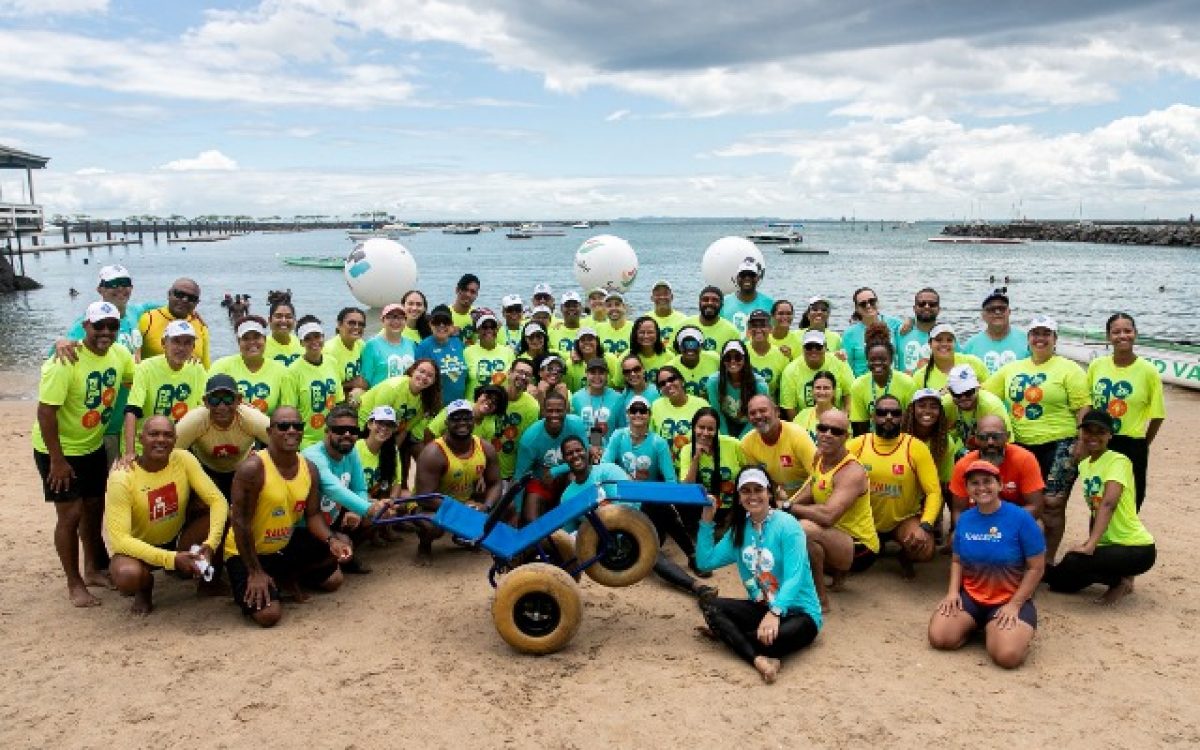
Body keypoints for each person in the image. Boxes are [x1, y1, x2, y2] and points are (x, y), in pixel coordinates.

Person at [33, 301, 135, 606]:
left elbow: (135, 381)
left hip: (92, 444)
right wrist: (57, 460)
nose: (105, 332)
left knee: (94, 508)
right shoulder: (66, 360)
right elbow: (46, 412)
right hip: (58, 449)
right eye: (98, 326)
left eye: (112, 326)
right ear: (85, 326)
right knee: (70, 514)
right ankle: (74, 583)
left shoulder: (120, 355)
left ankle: (92, 568)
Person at [225, 406, 352, 627]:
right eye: (283, 426)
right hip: (246, 552)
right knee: (269, 615)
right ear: (269, 431)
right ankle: (257, 578)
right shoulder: (252, 468)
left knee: (336, 574)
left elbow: (312, 515)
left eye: (297, 426)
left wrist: (332, 541)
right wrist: (254, 571)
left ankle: (284, 578)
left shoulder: (309, 468)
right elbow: (240, 524)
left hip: (282, 546)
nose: (291, 431)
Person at [695, 467, 822, 684]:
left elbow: (795, 576)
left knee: (764, 637)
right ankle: (760, 660)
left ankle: (732, 637)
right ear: (738, 496)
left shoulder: (788, 525)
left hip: (800, 613)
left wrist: (775, 612)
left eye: (758, 489)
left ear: (769, 493)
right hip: (762, 608)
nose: (752, 496)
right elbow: (705, 562)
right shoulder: (739, 530)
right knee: (710, 606)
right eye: (746, 490)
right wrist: (707, 521)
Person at [983, 315, 1089, 562]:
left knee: (1052, 504)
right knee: (1021, 500)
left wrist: (1081, 442)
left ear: (1055, 339)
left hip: (1060, 443)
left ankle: (1048, 560)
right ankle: (1021, 553)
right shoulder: (1013, 368)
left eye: (1046, 334)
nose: (1040, 339)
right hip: (1021, 444)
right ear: (1028, 339)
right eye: (1035, 334)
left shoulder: (1069, 369)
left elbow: (1083, 407)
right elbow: (984, 393)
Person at [928, 460, 1045, 669]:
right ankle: (976, 625)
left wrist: (1015, 604)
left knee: (1007, 657)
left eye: (987, 481)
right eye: (974, 483)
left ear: (1000, 484)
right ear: (967, 489)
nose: (981, 487)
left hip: (1009, 598)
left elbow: (1036, 567)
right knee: (940, 639)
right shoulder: (965, 519)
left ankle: (1003, 632)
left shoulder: (1021, 518)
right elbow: (957, 560)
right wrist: (953, 593)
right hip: (972, 597)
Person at [105, 416, 229, 614]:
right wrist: (172, 559)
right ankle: (145, 587)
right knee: (127, 576)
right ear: (140, 438)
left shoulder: (183, 459)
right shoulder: (122, 478)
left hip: (176, 537)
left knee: (224, 515)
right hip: (139, 549)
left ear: (175, 439)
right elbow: (120, 540)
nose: (161, 440)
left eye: (167, 435)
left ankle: (209, 583)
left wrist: (210, 545)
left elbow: (218, 500)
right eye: (153, 434)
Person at [1044, 409, 1156, 604]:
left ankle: (1120, 581)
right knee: (1058, 583)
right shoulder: (1085, 465)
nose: (1093, 437)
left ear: (1110, 435)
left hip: (1136, 548)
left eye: (1100, 432)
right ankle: (1109, 576)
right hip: (1110, 546)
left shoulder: (1118, 461)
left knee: (1073, 560)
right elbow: (1095, 509)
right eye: (1088, 431)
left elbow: (1108, 504)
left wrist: (1091, 545)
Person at [782, 409, 879, 611]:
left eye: (835, 431)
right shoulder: (820, 456)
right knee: (791, 526)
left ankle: (820, 600)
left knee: (805, 528)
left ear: (846, 437)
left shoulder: (851, 471)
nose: (827, 434)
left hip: (860, 548)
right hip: (836, 537)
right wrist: (784, 509)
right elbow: (813, 486)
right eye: (822, 428)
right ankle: (833, 578)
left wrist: (789, 506)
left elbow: (828, 516)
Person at [848, 394, 941, 578]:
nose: (888, 417)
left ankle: (903, 552)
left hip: (903, 520)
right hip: (865, 520)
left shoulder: (915, 447)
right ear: (874, 417)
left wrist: (925, 526)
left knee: (925, 550)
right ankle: (875, 545)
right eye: (882, 412)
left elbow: (934, 492)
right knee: (846, 555)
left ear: (903, 417)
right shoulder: (858, 444)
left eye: (895, 413)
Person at [1086, 313, 1165, 510]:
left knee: (1131, 498)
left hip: (1132, 442)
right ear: (1108, 337)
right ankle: (1097, 539)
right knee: (1098, 496)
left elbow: (1157, 415)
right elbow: (1088, 403)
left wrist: (1143, 444)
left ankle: (1127, 541)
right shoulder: (1097, 366)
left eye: (1127, 331)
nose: (1122, 336)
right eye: (1116, 332)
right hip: (1101, 440)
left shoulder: (1148, 371)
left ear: (1135, 334)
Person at [302, 404, 388, 573]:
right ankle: (308, 569)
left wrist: (358, 511)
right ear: (327, 432)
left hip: (333, 516)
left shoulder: (351, 451)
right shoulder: (312, 455)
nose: (347, 435)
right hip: (308, 525)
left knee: (372, 514)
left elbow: (360, 488)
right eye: (340, 430)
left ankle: (343, 554)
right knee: (333, 581)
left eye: (352, 430)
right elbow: (331, 487)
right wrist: (367, 508)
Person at [412, 399, 502, 561]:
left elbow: (495, 483)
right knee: (432, 526)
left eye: (467, 418)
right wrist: (460, 509)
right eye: (456, 419)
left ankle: (468, 537)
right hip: (433, 505)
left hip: (467, 499)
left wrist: (486, 506)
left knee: (506, 506)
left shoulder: (485, 447)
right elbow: (424, 497)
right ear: (446, 422)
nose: (462, 423)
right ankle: (424, 546)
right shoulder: (433, 452)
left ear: (473, 421)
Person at [174, 374, 270, 499]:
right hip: (204, 468)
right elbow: (170, 454)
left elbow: (281, 444)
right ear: (206, 402)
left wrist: (261, 458)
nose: (222, 406)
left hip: (243, 467)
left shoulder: (252, 418)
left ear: (239, 400)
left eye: (228, 399)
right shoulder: (193, 421)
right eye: (214, 400)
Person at [122, 320, 207, 459]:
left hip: (179, 445)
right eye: (176, 342)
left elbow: (205, 406)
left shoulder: (197, 368)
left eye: (187, 343)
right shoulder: (146, 368)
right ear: (163, 343)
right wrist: (129, 452)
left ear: (193, 347)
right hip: (144, 446)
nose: (181, 348)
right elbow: (132, 410)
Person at [948, 415, 1044, 522]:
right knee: (954, 537)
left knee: (1039, 528)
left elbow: (1035, 506)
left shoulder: (1025, 459)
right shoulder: (963, 465)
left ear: (1007, 437)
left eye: (996, 437)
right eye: (983, 437)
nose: (990, 442)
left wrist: (1001, 527)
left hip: (1014, 521)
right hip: (978, 523)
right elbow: (959, 511)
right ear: (975, 439)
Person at [514, 391, 590, 523]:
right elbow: (519, 476)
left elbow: (586, 456)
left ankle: (574, 526)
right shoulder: (530, 438)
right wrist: (517, 512)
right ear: (543, 412)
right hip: (541, 480)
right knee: (531, 519)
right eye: (550, 411)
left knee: (576, 475)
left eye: (559, 410)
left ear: (566, 410)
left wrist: (556, 470)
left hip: (568, 475)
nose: (554, 415)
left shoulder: (576, 424)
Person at [741, 394, 817, 501]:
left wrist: (790, 503)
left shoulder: (798, 435)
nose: (758, 416)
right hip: (779, 502)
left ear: (777, 411)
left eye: (763, 411)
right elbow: (760, 481)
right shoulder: (747, 443)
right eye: (752, 413)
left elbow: (817, 476)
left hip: (811, 498)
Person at [283, 316, 343, 450]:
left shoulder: (332, 362)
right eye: (308, 338)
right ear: (301, 343)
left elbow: (338, 401)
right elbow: (290, 412)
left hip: (331, 437)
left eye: (317, 336)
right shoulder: (292, 371)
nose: (314, 341)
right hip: (306, 440)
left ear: (323, 337)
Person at [210, 315, 290, 415]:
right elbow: (208, 406)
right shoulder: (220, 366)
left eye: (257, 337)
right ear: (239, 342)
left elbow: (286, 412)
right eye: (246, 338)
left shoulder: (281, 371)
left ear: (264, 339)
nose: (252, 342)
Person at [848, 322, 915, 435]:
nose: (877, 363)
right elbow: (859, 428)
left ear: (891, 360)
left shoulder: (907, 383)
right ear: (867, 360)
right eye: (873, 360)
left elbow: (911, 424)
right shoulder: (858, 385)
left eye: (883, 359)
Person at [680, 407, 746, 521]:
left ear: (717, 430)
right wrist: (696, 458)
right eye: (701, 427)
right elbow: (687, 488)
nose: (705, 433)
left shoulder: (733, 444)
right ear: (694, 428)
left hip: (734, 507)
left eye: (710, 429)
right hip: (701, 509)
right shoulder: (687, 450)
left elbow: (749, 473)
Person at [357, 359, 442, 444]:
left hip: (387, 430)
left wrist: (395, 450)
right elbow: (377, 422)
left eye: (430, 375)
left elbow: (405, 430)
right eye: (421, 371)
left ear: (434, 381)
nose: (424, 377)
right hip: (365, 425)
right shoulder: (393, 387)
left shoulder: (426, 399)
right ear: (413, 371)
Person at [779, 329, 853, 419]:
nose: (813, 350)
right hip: (804, 421)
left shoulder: (839, 362)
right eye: (809, 346)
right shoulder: (790, 371)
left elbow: (849, 395)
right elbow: (790, 407)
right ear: (802, 348)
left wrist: (842, 419)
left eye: (818, 346)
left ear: (825, 347)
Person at [137, 277, 211, 367]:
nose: (184, 300)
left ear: (197, 303)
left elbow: (206, 366)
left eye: (191, 298)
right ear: (169, 294)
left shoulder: (200, 326)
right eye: (179, 294)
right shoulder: (147, 319)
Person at [941, 364, 1012, 452]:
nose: (963, 397)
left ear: (977, 388)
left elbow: (1007, 443)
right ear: (950, 392)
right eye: (957, 393)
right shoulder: (945, 404)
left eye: (968, 392)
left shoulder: (992, 405)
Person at [650, 365, 709, 467]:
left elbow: (712, 436)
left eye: (672, 379)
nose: (668, 384)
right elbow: (650, 438)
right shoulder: (656, 406)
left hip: (696, 467)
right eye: (662, 384)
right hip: (666, 469)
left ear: (681, 380)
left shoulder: (701, 405)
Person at [706, 340, 768, 437]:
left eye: (738, 357)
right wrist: (726, 437)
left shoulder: (759, 385)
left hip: (753, 425)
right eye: (728, 358)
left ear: (745, 359)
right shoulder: (713, 382)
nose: (733, 361)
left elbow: (759, 416)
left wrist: (741, 439)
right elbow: (717, 412)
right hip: (726, 423)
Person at [494, 358, 543, 482]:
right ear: (509, 372)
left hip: (510, 472)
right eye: (519, 372)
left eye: (527, 375)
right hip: (485, 467)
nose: (523, 376)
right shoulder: (493, 395)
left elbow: (526, 442)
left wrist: (518, 474)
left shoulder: (532, 405)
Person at [840, 286, 904, 378]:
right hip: (862, 384)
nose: (868, 305)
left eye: (872, 301)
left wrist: (911, 321)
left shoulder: (895, 324)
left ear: (878, 302)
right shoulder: (849, 334)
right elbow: (847, 367)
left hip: (892, 383)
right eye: (863, 304)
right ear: (857, 308)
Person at [901, 388, 959, 487]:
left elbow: (944, 482)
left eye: (933, 407)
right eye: (922, 406)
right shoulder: (898, 436)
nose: (927, 411)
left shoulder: (946, 442)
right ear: (912, 409)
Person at [963, 288, 1029, 375]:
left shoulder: (1027, 341)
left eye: (1002, 308)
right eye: (991, 309)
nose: (997, 312)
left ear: (1009, 312)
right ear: (983, 315)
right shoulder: (970, 346)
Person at [415, 304, 467, 405]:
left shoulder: (458, 343)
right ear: (430, 324)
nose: (442, 325)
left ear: (451, 325)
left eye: (446, 321)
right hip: (435, 406)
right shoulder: (424, 347)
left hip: (459, 406)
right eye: (437, 321)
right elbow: (418, 380)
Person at [913, 324, 988, 392]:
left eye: (949, 340)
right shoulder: (920, 376)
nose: (944, 344)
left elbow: (989, 392)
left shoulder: (973, 362)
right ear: (930, 344)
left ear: (955, 343)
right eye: (939, 340)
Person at [571, 357, 625, 449]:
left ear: (607, 375)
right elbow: (574, 430)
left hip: (609, 453)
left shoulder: (618, 398)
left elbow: (622, 430)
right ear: (586, 375)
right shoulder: (577, 397)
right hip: (583, 453)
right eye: (592, 373)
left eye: (601, 373)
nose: (597, 376)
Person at [360, 303, 417, 388]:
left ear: (405, 321)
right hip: (381, 399)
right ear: (382, 320)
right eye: (390, 317)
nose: (396, 321)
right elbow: (365, 380)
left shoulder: (412, 344)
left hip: (406, 398)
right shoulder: (371, 346)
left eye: (400, 317)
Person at [356, 405, 405, 500]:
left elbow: (397, 483)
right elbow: (349, 486)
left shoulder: (393, 450)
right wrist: (372, 504)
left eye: (389, 425)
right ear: (370, 424)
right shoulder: (355, 448)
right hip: (359, 502)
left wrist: (391, 501)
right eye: (380, 422)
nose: (384, 428)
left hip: (381, 502)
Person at [322, 307, 369, 402]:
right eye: (351, 323)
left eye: (361, 324)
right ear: (339, 325)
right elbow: (324, 385)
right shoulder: (329, 350)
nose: (356, 327)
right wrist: (352, 384)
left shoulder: (361, 345)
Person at [465, 311, 515, 397]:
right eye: (485, 327)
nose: (489, 330)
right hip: (474, 403)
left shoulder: (508, 352)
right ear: (478, 330)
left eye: (493, 327)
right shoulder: (467, 352)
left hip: (500, 402)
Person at [893, 287, 941, 373]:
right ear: (914, 308)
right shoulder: (900, 332)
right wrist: (910, 320)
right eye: (922, 304)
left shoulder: (946, 337)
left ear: (939, 309)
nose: (927, 307)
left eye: (932, 304)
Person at [745, 310, 790, 400]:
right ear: (749, 329)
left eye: (763, 325)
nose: (758, 330)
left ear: (770, 329)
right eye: (754, 326)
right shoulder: (742, 351)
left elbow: (784, 390)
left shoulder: (781, 356)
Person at [720, 258, 774, 331]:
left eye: (751, 275)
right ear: (737, 278)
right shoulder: (724, 302)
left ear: (758, 278)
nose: (747, 278)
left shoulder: (770, 303)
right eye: (743, 275)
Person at [684, 286, 740, 354]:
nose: (710, 303)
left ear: (722, 304)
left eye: (715, 300)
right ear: (699, 303)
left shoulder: (732, 332)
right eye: (705, 299)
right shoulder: (684, 326)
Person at [668, 326, 719, 399]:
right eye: (686, 345)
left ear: (701, 346)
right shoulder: (670, 368)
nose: (690, 349)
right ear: (679, 347)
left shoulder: (715, 359)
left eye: (694, 344)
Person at [793, 371, 838, 443]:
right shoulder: (802, 415)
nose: (822, 392)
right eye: (818, 388)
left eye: (826, 388)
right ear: (812, 391)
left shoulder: (841, 419)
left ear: (834, 391)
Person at [629, 315, 671, 384]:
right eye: (642, 332)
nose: (646, 336)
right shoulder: (626, 357)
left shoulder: (669, 357)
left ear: (657, 334)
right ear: (635, 334)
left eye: (650, 332)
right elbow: (618, 386)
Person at [646, 280, 687, 348]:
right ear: (652, 298)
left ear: (672, 297)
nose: (662, 297)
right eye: (658, 295)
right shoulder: (645, 319)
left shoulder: (683, 320)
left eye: (665, 294)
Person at [264, 298, 303, 366]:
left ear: (294, 321)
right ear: (269, 320)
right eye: (278, 316)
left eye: (289, 316)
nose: (284, 320)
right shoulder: (261, 347)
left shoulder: (302, 344)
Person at [595, 290, 633, 357]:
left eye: (617, 304)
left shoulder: (634, 328)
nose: (613, 308)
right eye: (609, 305)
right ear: (604, 309)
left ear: (624, 307)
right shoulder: (598, 328)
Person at [550, 291, 584, 355]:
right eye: (567, 306)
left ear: (581, 308)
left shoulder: (588, 330)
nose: (571, 308)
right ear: (561, 308)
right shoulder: (552, 332)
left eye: (575, 306)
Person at [450, 273, 480, 345]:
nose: (468, 294)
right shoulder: (445, 313)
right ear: (457, 290)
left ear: (476, 295)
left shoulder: (478, 315)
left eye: (472, 292)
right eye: (465, 290)